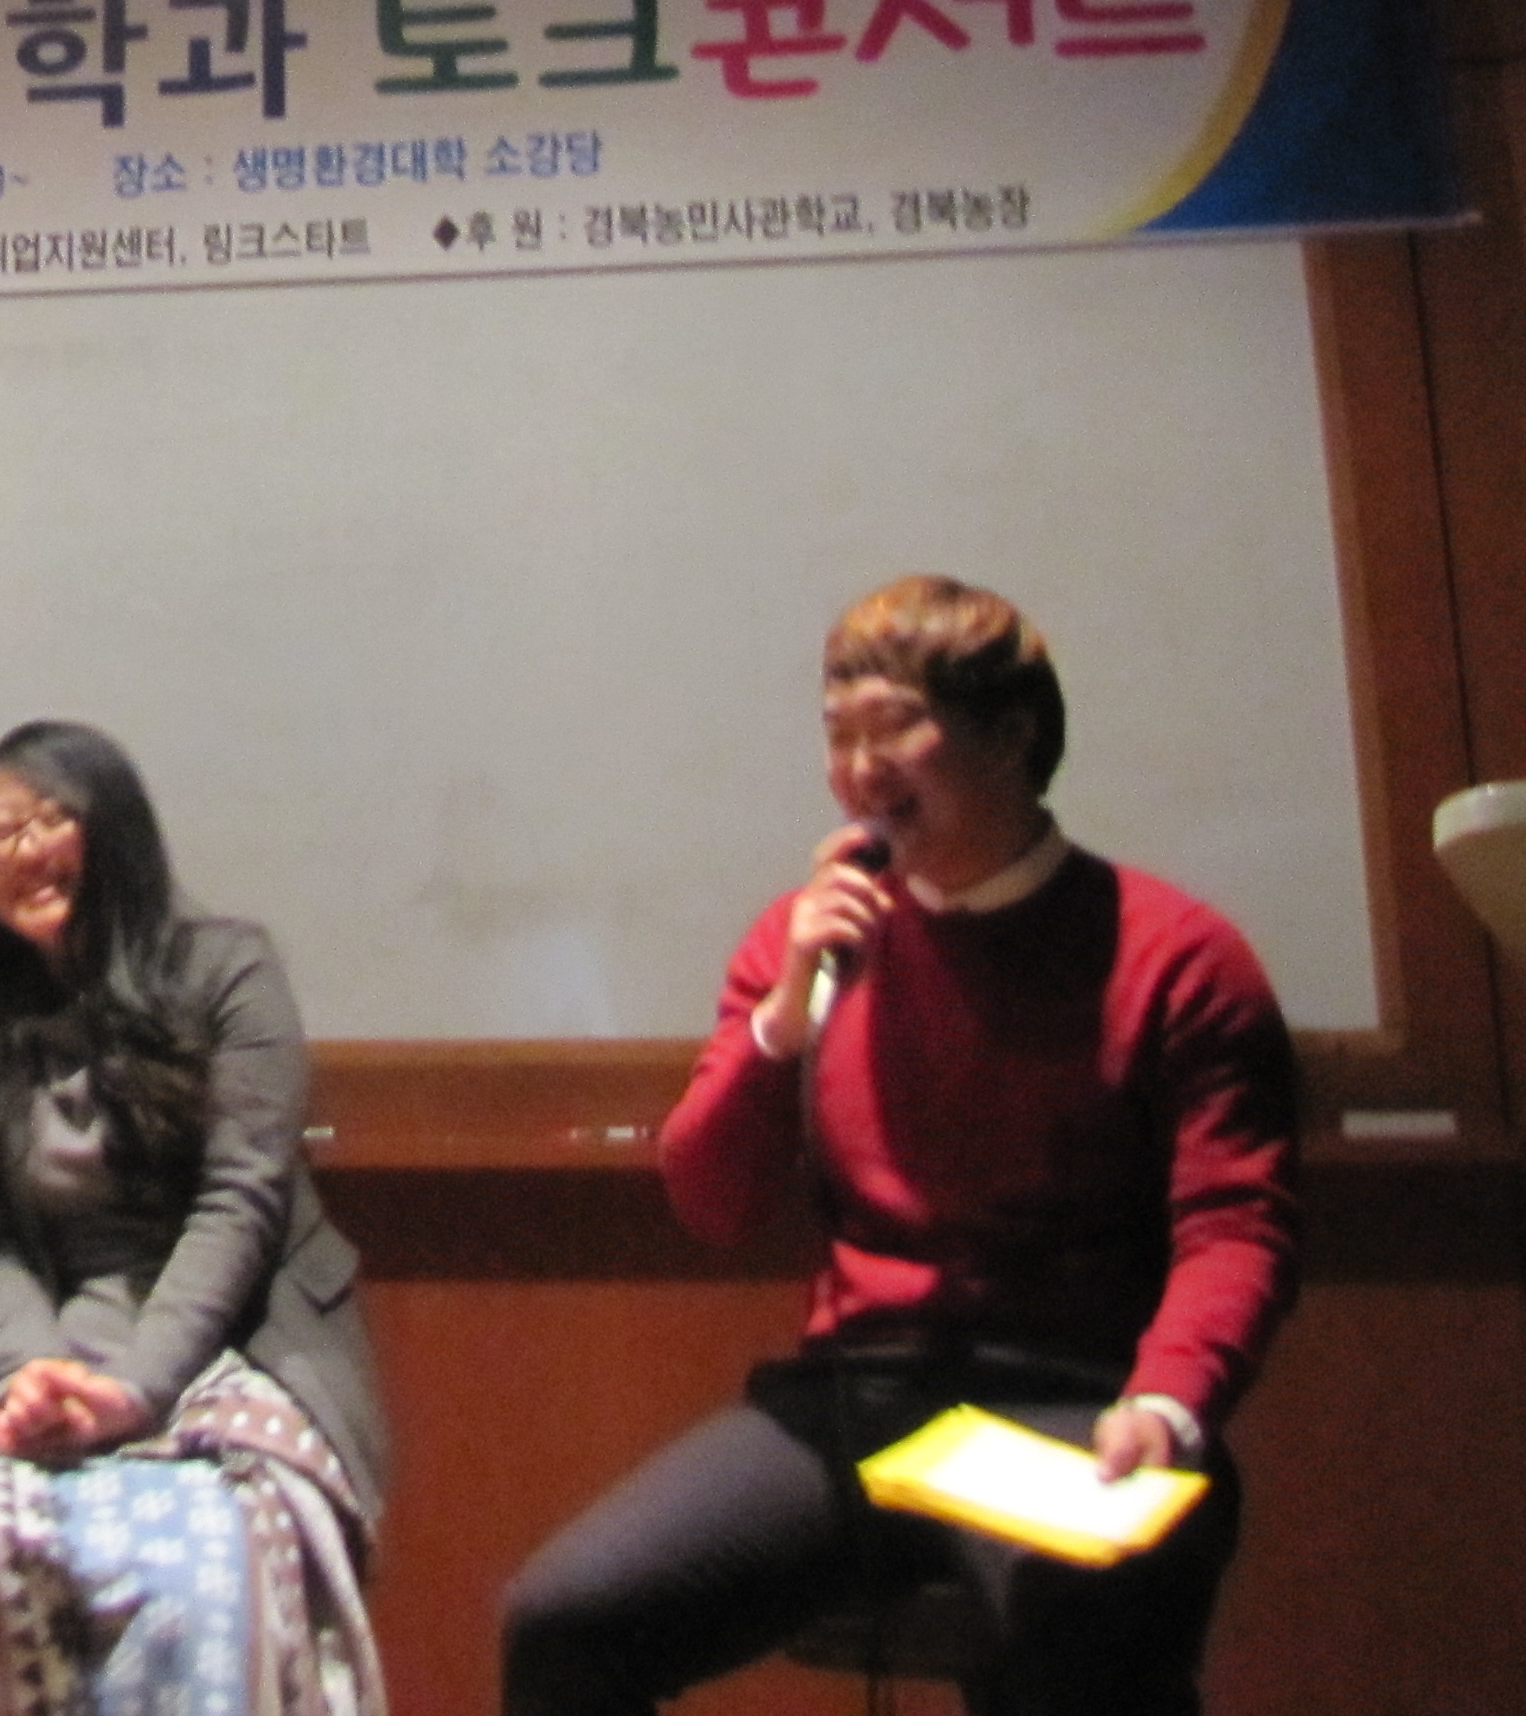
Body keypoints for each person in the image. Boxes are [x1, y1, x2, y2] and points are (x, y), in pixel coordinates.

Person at [500, 575, 1302, 1716]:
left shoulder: (1177, 955)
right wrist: (780, 1024)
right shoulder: (803, 942)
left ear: (1012, 736)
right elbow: (711, 1200)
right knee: (563, 1622)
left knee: (1083, 1610)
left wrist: (1168, 1402)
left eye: (893, 730)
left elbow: (1236, 1228)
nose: (860, 770)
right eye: (838, 736)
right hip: (852, 1399)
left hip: (1077, 1399)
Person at [0, 721, 389, 1716]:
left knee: (203, 1564)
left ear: (116, 832)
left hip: (246, 1341)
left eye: (52, 820)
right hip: (68, 1361)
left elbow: (241, 1200)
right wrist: (29, 1374)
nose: (25, 850)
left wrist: (135, 1390)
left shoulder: (229, 969)